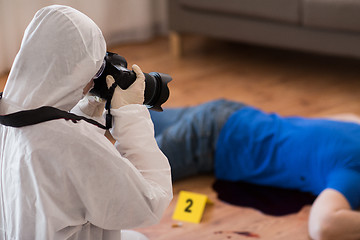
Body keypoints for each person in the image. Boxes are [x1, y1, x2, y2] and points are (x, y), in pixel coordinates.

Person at [0, 5, 172, 240]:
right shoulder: (72, 146)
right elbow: (151, 202)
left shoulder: (8, 115)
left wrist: (89, 107)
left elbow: (47, 129)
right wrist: (131, 115)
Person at [150, 99, 360, 240]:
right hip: (209, 141)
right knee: (124, 175)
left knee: (124, 112)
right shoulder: (351, 173)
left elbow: (347, 116)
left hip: (229, 113)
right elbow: (322, 226)